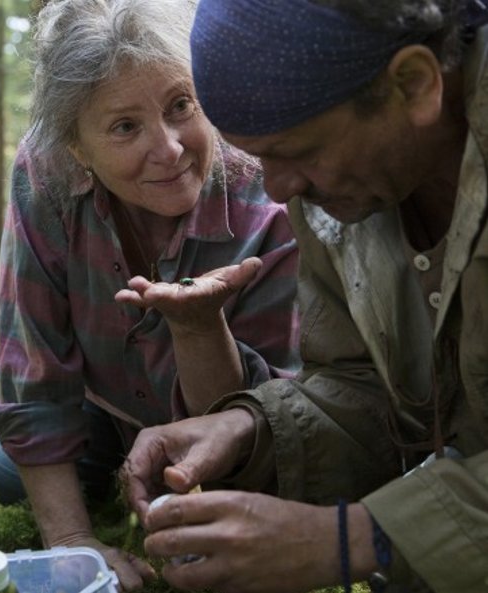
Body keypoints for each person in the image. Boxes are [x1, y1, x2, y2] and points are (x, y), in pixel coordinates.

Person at [122, 1, 488, 592]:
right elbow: (363, 388)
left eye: (295, 151)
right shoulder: (346, 194)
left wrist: (355, 541)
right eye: (259, 156)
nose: (276, 188)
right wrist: (250, 430)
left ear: (414, 85)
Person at [0, 0, 300, 590]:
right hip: (100, 408)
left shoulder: (268, 195)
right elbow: (35, 370)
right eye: (125, 127)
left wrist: (199, 328)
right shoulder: (44, 176)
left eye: (180, 106)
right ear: (77, 150)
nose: (168, 148)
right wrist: (70, 543)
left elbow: (270, 418)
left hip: (229, 431)